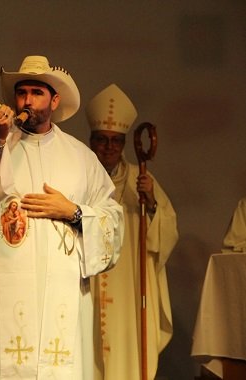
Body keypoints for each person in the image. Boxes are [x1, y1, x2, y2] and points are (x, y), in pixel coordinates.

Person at [0, 55, 124, 379]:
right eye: (22, 92)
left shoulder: (81, 157)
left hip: (63, 290)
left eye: (36, 92)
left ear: (54, 100)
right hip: (7, 286)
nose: (27, 100)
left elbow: (113, 219)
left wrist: (73, 212)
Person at [86, 84, 179, 380]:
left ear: (125, 144)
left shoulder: (141, 181)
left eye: (116, 141)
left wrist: (150, 202)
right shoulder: (78, 176)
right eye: (102, 140)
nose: (109, 147)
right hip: (86, 288)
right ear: (91, 141)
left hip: (129, 292)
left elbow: (166, 233)